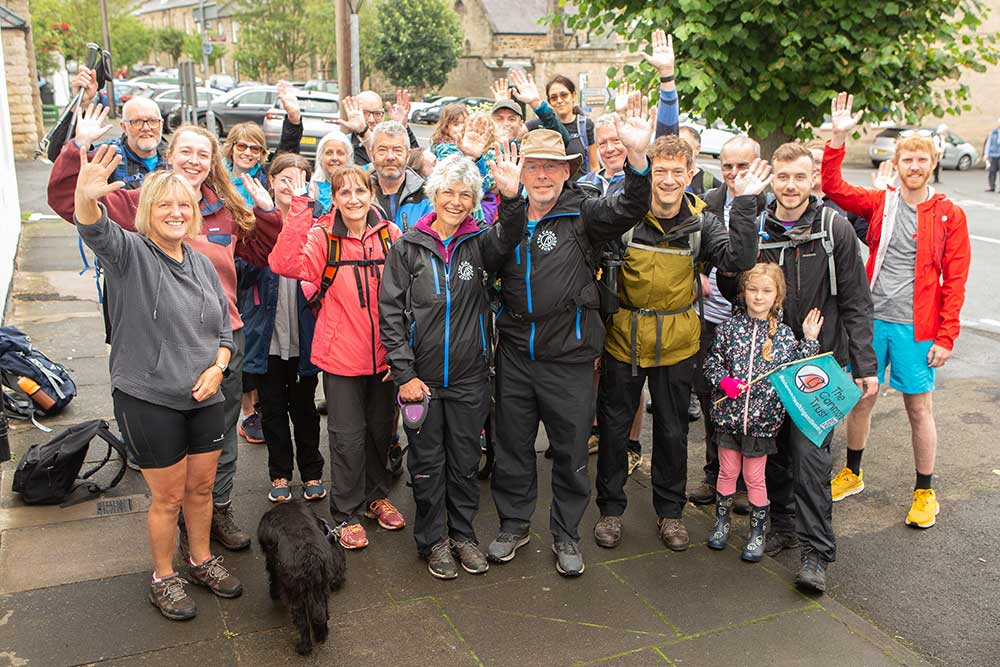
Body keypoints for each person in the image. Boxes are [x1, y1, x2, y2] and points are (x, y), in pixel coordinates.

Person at [48, 108, 283, 556]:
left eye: (203, 153)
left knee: (220, 443)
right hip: (155, 351)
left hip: (221, 343)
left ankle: (218, 511)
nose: (194, 160)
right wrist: (77, 152)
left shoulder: (226, 206)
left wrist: (269, 213)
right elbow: (73, 207)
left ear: (214, 159)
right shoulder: (138, 202)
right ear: (168, 155)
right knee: (169, 462)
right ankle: (172, 530)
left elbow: (264, 250)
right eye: (186, 151)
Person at [486, 93, 652, 577]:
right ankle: (513, 525)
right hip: (516, 353)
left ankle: (565, 534)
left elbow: (633, 206)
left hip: (571, 356)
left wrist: (639, 159)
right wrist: (510, 204)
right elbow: (489, 263)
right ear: (522, 170)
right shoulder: (505, 211)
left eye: (551, 168)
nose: (541, 175)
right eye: (533, 166)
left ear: (566, 172)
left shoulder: (585, 213)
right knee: (513, 447)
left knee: (572, 452)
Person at [74, 149, 240, 620]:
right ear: (148, 211)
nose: (175, 213)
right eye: (164, 205)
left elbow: (223, 331)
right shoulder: (130, 253)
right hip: (149, 399)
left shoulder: (203, 261)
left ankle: (201, 559)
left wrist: (218, 366)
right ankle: (163, 577)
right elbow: (94, 227)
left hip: (204, 393)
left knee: (202, 489)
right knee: (167, 497)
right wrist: (87, 199)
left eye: (183, 205)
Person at [593, 135, 763, 552]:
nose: (667, 181)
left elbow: (737, 264)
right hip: (623, 340)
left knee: (671, 432)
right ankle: (610, 512)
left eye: (676, 172)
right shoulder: (626, 217)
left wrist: (743, 204)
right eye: (659, 171)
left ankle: (670, 513)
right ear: (649, 172)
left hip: (678, 342)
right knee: (615, 431)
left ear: (690, 176)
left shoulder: (703, 222)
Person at [727, 140, 878, 594]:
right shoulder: (757, 226)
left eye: (799, 177)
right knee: (770, 451)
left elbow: (856, 300)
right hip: (769, 363)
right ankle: (783, 524)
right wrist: (741, 211)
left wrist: (864, 364)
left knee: (811, 460)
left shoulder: (834, 228)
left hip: (818, 365)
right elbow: (732, 279)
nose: (790, 187)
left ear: (813, 179)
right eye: (783, 177)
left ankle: (816, 553)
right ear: (773, 178)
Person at [823, 92, 971, 529]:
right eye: (907, 159)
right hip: (872, 322)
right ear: (898, 163)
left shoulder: (949, 214)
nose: (914, 166)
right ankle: (852, 472)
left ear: (932, 164)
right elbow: (834, 187)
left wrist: (947, 337)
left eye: (921, 160)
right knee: (862, 399)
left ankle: (925, 491)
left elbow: (956, 279)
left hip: (917, 328)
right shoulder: (881, 202)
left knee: (918, 408)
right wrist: (838, 138)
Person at [379, 150, 525, 579]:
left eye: (466, 194)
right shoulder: (407, 247)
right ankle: (434, 541)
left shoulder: (480, 242)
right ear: (433, 194)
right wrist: (404, 374)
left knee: (463, 463)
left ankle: (462, 535)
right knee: (427, 466)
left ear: (475, 199)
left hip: (469, 379)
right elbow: (390, 313)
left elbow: (511, 233)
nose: (456, 201)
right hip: (420, 383)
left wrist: (513, 198)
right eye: (448, 192)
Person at [268, 164, 406, 550]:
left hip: (385, 357)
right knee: (346, 438)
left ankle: (376, 496)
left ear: (371, 193)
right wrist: (299, 208)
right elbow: (284, 264)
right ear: (334, 198)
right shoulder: (322, 236)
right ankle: (345, 512)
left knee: (381, 432)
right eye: (344, 193)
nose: (353, 200)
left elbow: (407, 293)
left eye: (360, 191)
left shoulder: (391, 236)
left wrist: (401, 354)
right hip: (341, 356)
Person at [703, 264, 822, 561]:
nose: (758, 297)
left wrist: (808, 339)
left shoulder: (783, 336)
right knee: (727, 471)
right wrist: (724, 381)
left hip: (762, 424)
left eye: (766, 291)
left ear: (777, 296)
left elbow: (798, 372)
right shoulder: (727, 330)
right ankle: (722, 522)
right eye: (753, 290)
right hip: (728, 420)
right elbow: (711, 365)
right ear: (743, 293)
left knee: (755, 477)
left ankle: (758, 532)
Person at [237, 153, 324, 503]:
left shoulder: (319, 225)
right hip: (267, 338)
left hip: (304, 337)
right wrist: (268, 228)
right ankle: (279, 475)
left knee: (305, 409)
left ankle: (313, 472)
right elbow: (241, 275)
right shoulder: (253, 223)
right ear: (271, 182)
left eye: (299, 179)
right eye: (284, 179)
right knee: (272, 410)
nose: (291, 186)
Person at [690, 135, 769, 512]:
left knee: (750, 404)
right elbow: (691, 255)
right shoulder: (710, 203)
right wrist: (695, 279)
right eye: (727, 167)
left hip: (750, 322)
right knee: (712, 399)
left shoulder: (768, 202)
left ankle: (744, 484)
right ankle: (714, 473)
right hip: (710, 319)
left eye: (742, 166)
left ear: (757, 164)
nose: (735, 174)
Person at [67, 65, 167, 188]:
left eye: (152, 121)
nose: (146, 127)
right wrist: (79, 105)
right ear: (124, 127)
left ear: (161, 123)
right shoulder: (107, 157)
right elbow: (65, 168)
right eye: (137, 122)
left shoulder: (176, 157)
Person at [525, 75, 598, 179]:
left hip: (579, 191)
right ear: (549, 102)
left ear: (573, 96)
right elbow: (514, 134)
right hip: (547, 189)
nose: (559, 101)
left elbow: (594, 166)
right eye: (554, 98)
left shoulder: (585, 125)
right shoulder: (538, 125)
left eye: (564, 95)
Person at [367, 121, 433, 232]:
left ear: (408, 154)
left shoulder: (427, 197)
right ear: (372, 154)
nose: (390, 157)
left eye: (397, 150)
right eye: (382, 150)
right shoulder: (359, 196)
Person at [805, 140, 868, 242]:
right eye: (809, 162)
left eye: (818, 162)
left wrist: (884, 203)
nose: (813, 168)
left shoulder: (845, 201)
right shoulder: (793, 200)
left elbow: (874, 238)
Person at [339, 90, 419, 167]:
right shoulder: (344, 145)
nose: (371, 120)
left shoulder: (393, 142)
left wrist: (402, 128)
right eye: (365, 113)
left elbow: (417, 166)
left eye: (377, 114)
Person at [490, 70, 570, 146]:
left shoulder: (526, 151)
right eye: (499, 119)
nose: (506, 123)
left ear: (521, 125)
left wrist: (536, 104)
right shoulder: (482, 150)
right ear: (491, 123)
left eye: (511, 119)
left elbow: (562, 140)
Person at [678, 126, 722, 196]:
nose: (679, 151)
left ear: (697, 149)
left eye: (685, 146)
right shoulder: (665, 180)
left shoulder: (709, 182)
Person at [984, 117, 1000, 192]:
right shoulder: (993, 132)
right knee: (992, 171)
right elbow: (988, 144)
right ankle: (992, 186)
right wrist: (986, 155)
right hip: (994, 155)